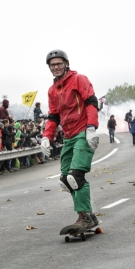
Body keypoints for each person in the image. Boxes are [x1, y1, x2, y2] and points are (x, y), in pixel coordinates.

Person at [39, 49, 100, 230]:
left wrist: (91, 127)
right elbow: (53, 116)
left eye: (59, 63)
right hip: (68, 136)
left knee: (76, 176)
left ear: (66, 64)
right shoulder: (52, 90)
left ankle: (84, 217)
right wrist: (46, 137)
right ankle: (88, 215)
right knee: (66, 179)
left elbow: (91, 102)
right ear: (49, 68)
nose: (56, 67)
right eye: (52, 65)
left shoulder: (79, 79)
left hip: (82, 131)